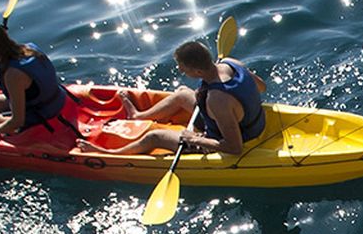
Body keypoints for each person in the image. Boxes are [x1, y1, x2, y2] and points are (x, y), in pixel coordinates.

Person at [115, 39, 268, 157]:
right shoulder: (231, 63)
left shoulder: (217, 100)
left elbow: (235, 148)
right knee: (182, 93)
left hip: (240, 137)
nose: (181, 70)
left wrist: (195, 139)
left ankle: (112, 154)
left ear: (199, 71)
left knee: (154, 137)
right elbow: (261, 87)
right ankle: (138, 116)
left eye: (183, 68)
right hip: (249, 120)